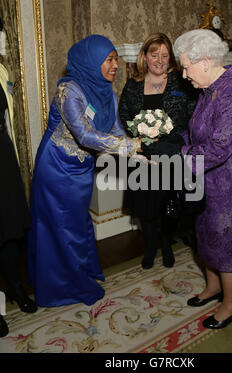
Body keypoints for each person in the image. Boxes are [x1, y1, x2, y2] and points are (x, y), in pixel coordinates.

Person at [27, 35, 140, 308]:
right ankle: (66, 286)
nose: (115, 65)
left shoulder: (107, 93)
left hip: (81, 168)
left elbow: (114, 131)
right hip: (56, 169)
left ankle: (80, 273)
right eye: (109, 59)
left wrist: (137, 150)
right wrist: (127, 146)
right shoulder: (69, 91)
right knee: (63, 227)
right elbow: (85, 135)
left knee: (77, 223)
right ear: (91, 61)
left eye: (116, 58)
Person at [173, 29, 232, 329]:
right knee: (206, 236)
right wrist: (176, 141)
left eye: (186, 66)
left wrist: (176, 156)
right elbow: (199, 130)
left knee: (227, 245)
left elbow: (218, 147)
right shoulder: (211, 87)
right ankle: (213, 288)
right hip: (209, 180)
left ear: (205, 61)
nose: (185, 74)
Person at [119, 33, 197, 270]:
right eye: (155, 55)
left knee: (169, 205)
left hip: (172, 153)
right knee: (146, 207)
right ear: (145, 56)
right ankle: (151, 247)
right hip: (143, 154)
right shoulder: (132, 85)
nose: (160, 60)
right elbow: (124, 114)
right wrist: (139, 137)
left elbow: (192, 115)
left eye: (165, 55)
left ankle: (166, 244)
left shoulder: (181, 83)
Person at [0, 19, 37, 338]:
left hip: (3, 156)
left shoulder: (2, 72)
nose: (1, 37)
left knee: (9, 231)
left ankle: (15, 288)